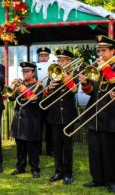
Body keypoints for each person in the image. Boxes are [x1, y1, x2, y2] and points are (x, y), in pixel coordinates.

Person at [79, 35, 115, 193]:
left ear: (113, 51)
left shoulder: (108, 67)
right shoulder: (99, 68)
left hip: (110, 116)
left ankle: (112, 180)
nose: (100, 54)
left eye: (104, 51)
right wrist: (85, 83)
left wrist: (105, 68)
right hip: (94, 114)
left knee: (110, 151)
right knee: (94, 150)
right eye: (99, 51)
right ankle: (97, 178)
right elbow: (92, 92)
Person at [45, 49, 78, 185]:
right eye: (58, 60)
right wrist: (49, 88)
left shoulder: (75, 74)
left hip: (69, 115)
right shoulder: (52, 75)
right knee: (57, 145)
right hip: (54, 115)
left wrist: (64, 76)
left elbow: (74, 89)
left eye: (63, 60)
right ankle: (58, 171)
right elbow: (45, 95)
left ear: (69, 62)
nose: (60, 62)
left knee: (68, 146)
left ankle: (68, 173)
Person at [9, 62, 43, 178]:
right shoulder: (20, 84)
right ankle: (20, 167)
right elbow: (10, 98)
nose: (25, 74)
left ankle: (35, 168)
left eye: (27, 71)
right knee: (20, 146)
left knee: (32, 147)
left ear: (33, 73)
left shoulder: (39, 85)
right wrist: (12, 87)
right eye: (23, 71)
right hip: (19, 119)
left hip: (31, 119)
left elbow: (34, 100)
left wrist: (22, 88)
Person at [36, 47, 53, 157]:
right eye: (41, 55)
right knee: (37, 126)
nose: (43, 57)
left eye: (45, 55)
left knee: (50, 126)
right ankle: (37, 149)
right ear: (38, 56)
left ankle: (50, 149)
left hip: (50, 100)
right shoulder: (34, 66)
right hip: (37, 99)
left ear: (48, 56)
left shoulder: (53, 66)